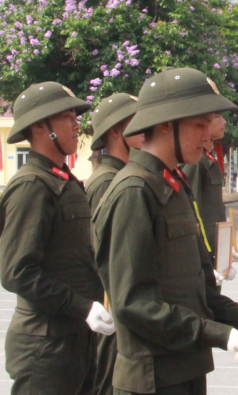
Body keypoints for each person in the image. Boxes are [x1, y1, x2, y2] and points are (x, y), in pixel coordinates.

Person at [92, 68, 238, 395]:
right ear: (163, 124)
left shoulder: (172, 185)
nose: (209, 136)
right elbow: (133, 303)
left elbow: (202, 287)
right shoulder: (134, 191)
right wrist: (218, 335)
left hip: (185, 369)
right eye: (199, 125)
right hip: (151, 379)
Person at [0, 82, 115, 395]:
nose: (77, 124)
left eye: (76, 115)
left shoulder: (63, 181)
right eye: (66, 116)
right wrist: (81, 307)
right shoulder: (32, 187)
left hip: (75, 338)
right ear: (40, 125)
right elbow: (16, 272)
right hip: (45, 345)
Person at [85, 92, 144, 395]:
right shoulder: (107, 181)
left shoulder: (121, 175)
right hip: (110, 309)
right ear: (116, 131)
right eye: (137, 122)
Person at [182, 113, 235, 283]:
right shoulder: (196, 162)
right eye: (217, 116)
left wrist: (225, 248)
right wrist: (202, 257)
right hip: (203, 255)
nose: (224, 121)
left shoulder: (208, 159)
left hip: (214, 251)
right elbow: (191, 210)